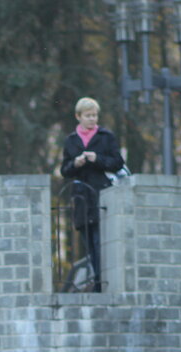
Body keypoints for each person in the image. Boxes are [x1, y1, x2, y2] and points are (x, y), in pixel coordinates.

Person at [60, 97, 124, 292]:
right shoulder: (71, 140)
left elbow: (118, 162)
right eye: (88, 116)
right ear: (78, 117)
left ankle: (101, 285)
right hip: (81, 199)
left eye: (95, 115)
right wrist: (75, 164)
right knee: (90, 245)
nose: (92, 119)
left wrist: (98, 159)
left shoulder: (106, 136)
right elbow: (64, 170)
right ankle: (96, 281)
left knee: (101, 242)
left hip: (102, 195)